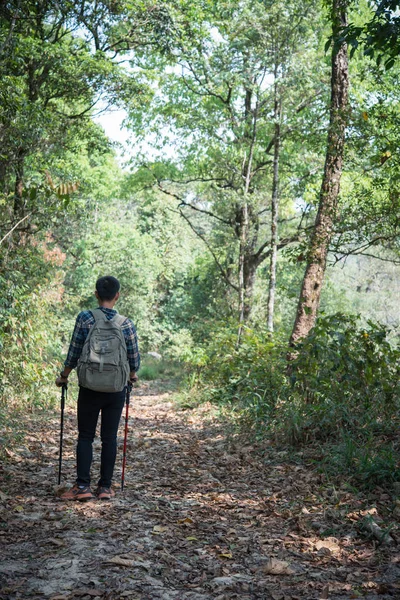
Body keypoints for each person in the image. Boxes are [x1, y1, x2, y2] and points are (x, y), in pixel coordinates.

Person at [56, 275, 140, 501]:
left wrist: (63, 376)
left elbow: (73, 353)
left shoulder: (85, 318)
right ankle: (105, 487)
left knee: (85, 436)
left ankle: (82, 487)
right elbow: (134, 358)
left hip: (90, 386)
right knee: (109, 437)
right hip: (115, 388)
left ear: (96, 294)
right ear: (117, 296)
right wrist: (132, 376)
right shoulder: (126, 323)